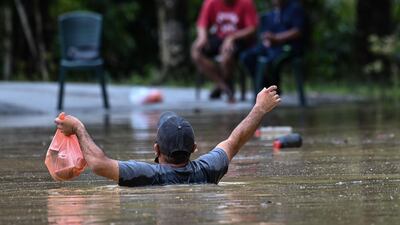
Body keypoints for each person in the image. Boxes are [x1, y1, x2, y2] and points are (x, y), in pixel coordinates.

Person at [54, 86, 281, 187]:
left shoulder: (148, 175)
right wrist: (260, 108)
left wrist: (78, 128)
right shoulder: (209, 169)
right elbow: (235, 140)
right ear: (194, 148)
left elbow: (99, 164)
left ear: (156, 149)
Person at [191, 0, 259, 102]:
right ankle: (223, 86)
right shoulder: (211, 2)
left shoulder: (246, 3)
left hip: (240, 40)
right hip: (219, 37)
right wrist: (202, 37)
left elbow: (252, 28)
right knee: (196, 51)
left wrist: (232, 37)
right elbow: (202, 23)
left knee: (227, 53)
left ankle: (222, 87)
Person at [240, 0, 306, 92]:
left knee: (271, 60)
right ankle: (265, 85)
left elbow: (297, 31)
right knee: (247, 56)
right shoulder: (270, 14)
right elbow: (265, 33)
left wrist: (276, 38)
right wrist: (267, 39)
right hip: (270, 46)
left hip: (288, 47)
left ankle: (272, 86)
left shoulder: (295, 9)